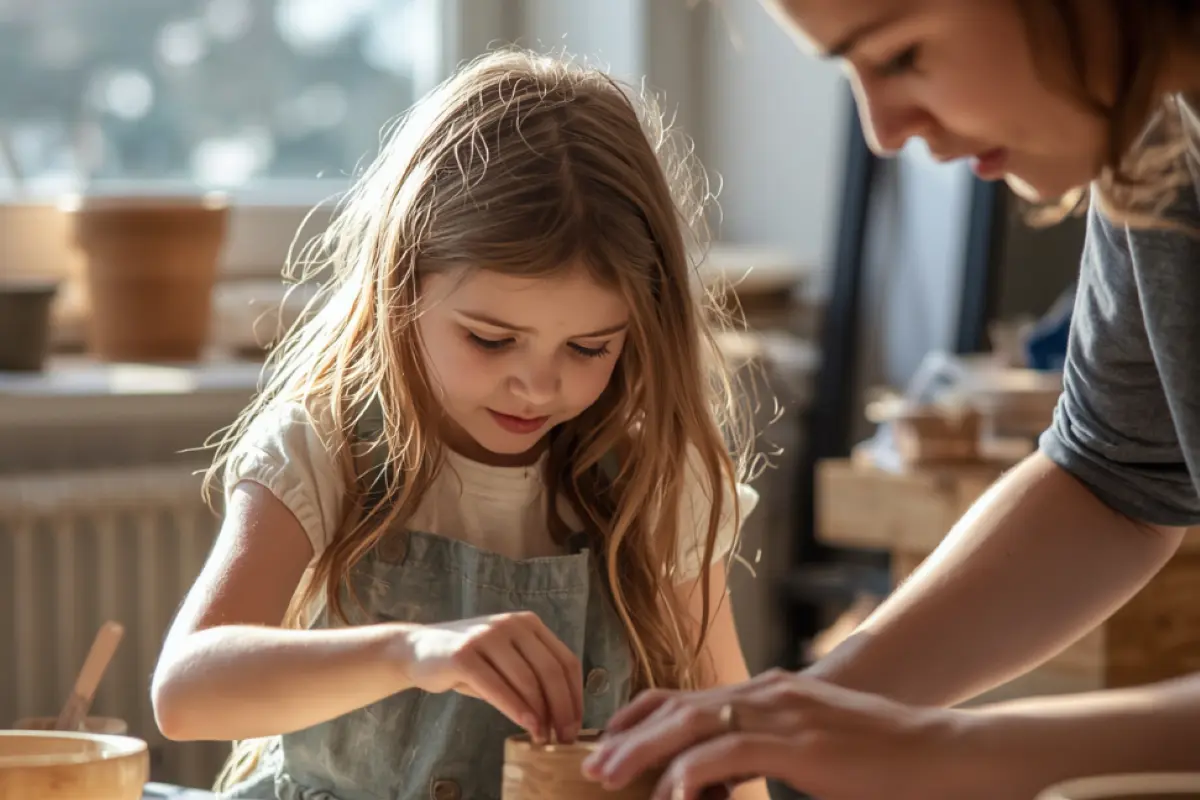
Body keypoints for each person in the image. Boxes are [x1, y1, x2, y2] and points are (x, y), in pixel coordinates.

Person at [582, 1, 1200, 799]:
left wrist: (944, 747)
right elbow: (1116, 475)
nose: (883, 130)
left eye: (902, 56)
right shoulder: (1154, 135)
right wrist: (822, 705)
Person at [149, 48, 770, 800]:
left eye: (588, 347)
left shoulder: (657, 483)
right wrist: (413, 651)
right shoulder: (325, 448)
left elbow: (726, 738)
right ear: (400, 287)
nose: (538, 384)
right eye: (490, 338)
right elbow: (186, 693)